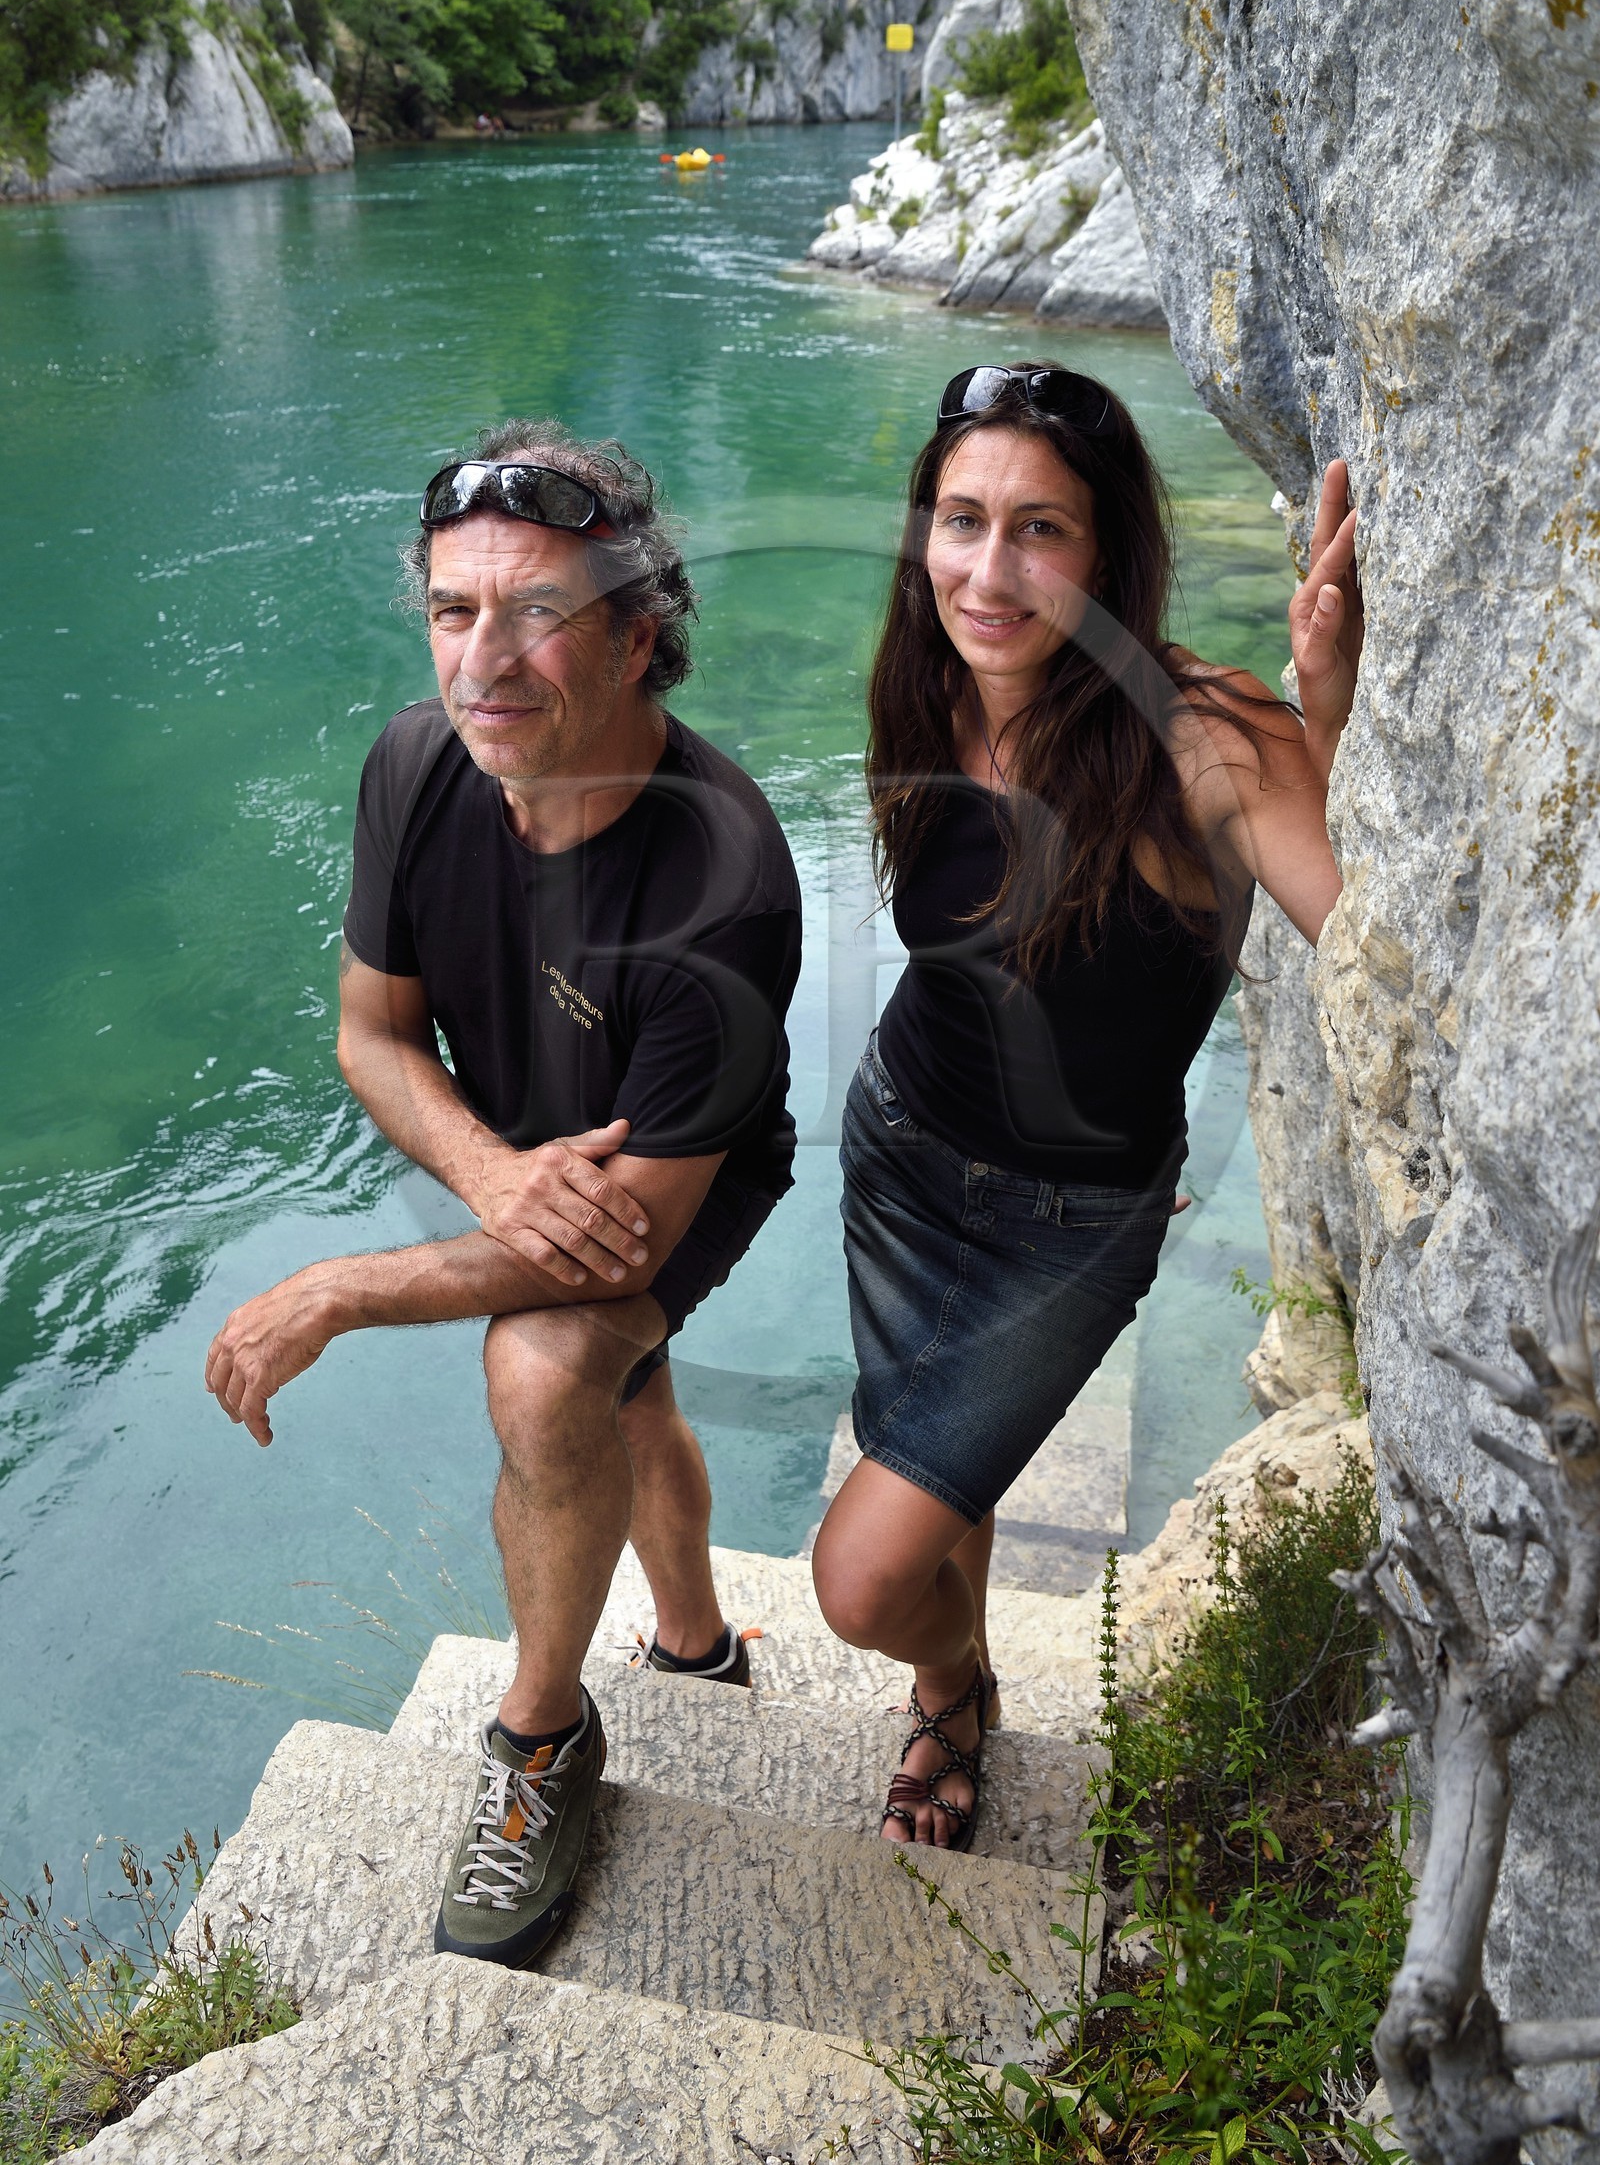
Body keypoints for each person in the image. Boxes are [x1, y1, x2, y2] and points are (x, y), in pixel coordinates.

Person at [204, 422, 802, 1963]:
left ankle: (541, 1744)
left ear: (637, 638)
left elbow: (625, 1242)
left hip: (687, 1165)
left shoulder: (722, 878)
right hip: (531, 1135)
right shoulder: (417, 764)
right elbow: (376, 1030)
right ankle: (694, 1642)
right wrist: (491, 1169)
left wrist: (337, 1288)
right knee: (632, 1394)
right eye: (456, 611)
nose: (487, 659)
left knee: (553, 1378)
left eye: (537, 612)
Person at [809, 362, 1362, 1850]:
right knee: (947, 1476)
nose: (989, 573)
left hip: (1066, 1228)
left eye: (1040, 531)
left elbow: (1371, 944)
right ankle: (956, 1699)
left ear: (1107, 550)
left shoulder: (1207, 736)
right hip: (903, 1159)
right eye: (961, 520)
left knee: (860, 1578)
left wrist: (1334, 728)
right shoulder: (929, 679)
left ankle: (942, 1667)